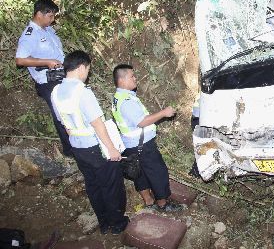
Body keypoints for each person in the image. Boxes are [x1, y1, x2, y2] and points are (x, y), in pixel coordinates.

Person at [50, 51, 128, 234]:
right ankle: (117, 224)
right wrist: (111, 149)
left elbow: (63, 124)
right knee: (111, 184)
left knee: (93, 185)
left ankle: (104, 223)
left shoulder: (55, 92)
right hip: (96, 147)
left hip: (77, 147)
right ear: (81, 68)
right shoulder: (82, 92)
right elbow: (97, 123)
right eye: (88, 69)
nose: (88, 73)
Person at [111, 64, 184, 212]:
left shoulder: (118, 97)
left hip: (130, 144)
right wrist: (164, 113)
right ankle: (163, 204)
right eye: (132, 76)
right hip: (143, 145)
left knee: (139, 172)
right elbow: (142, 121)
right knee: (158, 172)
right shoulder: (126, 101)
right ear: (123, 79)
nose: (135, 78)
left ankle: (148, 200)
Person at [15, 0, 72, 157]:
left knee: (70, 109)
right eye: (51, 16)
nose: (53, 20)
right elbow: (20, 60)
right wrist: (47, 62)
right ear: (39, 14)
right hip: (48, 81)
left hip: (60, 75)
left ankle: (78, 143)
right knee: (61, 114)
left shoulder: (47, 30)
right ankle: (70, 150)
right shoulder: (29, 34)